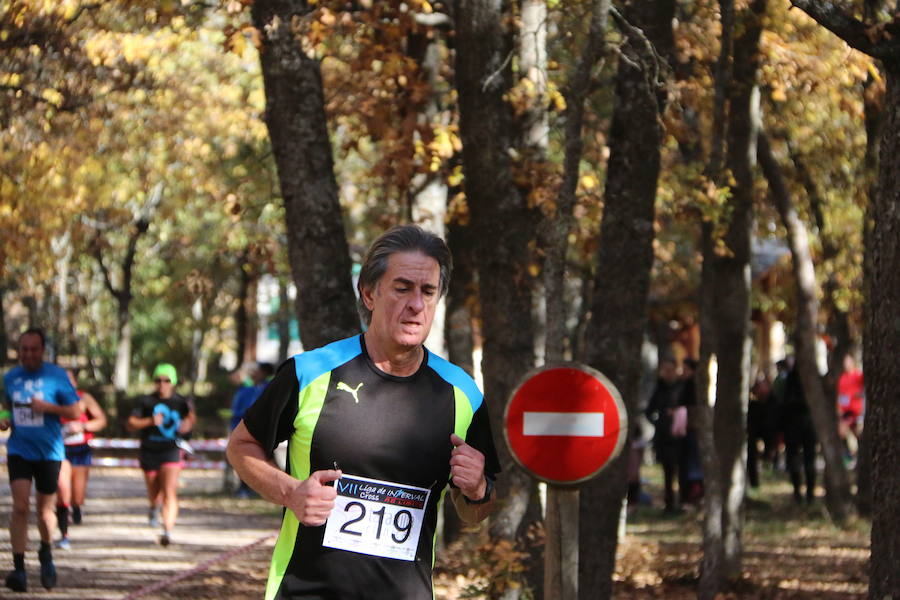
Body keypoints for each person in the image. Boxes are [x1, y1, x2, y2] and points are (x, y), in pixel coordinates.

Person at [227, 225, 501, 600]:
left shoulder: (462, 394)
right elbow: (241, 445)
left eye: (428, 291)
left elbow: (476, 511)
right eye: (402, 288)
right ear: (369, 293)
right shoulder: (310, 373)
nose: (416, 305)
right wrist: (290, 492)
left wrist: (478, 489)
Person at [0, 328, 82, 592]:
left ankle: (46, 553)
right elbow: (5, 405)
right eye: (24, 349)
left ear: (42, 350)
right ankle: (19, 569)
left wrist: (49, 408)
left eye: (33, 349)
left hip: (49, 452)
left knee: (45, 512)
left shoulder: (56, 376)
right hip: (19, 449)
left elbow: (75, 411)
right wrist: (3, 417)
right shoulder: (11, 377)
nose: (28, 354)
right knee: (21, 506)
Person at [126, 363, 196, 546]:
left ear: (173, 382)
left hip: (171, 450)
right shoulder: (145, 401)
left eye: (166, 380)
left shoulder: (181, 402)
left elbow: (190, 419)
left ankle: (167, 530)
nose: (162, 384)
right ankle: (152, 506)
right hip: (149, 450)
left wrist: (186, 426)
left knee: (169, 491)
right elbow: (131, 423)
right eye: (158, 380)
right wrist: (150, 421)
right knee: (154, 492)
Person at [55, 369, 107, 549]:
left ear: (75, 383)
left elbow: (101, 421)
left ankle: (76, 507)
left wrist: (83, 426)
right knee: (63, 491)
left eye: (69, 381)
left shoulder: (85, 399)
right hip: (59, 451)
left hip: (81, 451)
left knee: (77, 496)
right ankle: (64, 533)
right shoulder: (51, 400)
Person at [644, 358, 684, 514]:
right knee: (668, 472)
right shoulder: (659, 389)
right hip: (664, 438)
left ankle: (682, 501)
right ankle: (669, 504)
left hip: (680, 437)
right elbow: (649, 411)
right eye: (664, 370)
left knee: (681, 471)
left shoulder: (682, 388)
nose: (667, 373)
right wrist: (659, 422)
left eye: (670, 369)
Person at [229, 361, 274, 498]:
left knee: (259, 460)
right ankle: (244, 488)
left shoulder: (268, 388)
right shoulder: (248, 388)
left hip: (260, 430)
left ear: (264, 373)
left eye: (257, 371)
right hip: (241, 428)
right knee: (243, 459)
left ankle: (261, 488)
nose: (254, 374)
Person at [781, 361, 817, 504]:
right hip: (800, 424)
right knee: (804, 459)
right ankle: (804, 494)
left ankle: (804, 494)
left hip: (797, 424)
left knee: (802, 459)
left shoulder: (793, 380)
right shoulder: (804, 380)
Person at [836, 354, 864, 464]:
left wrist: (859, 395)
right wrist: (839, 408)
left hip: (856, 410)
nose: (846, 364)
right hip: (846, 411)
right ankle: (850, 455)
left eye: (848, 361)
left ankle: (857, 455)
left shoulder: (858, 376)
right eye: (845, 362)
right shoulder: (842, 378)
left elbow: (864, 390)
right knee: (842, 432)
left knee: (857, 433)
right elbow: (840, 395)